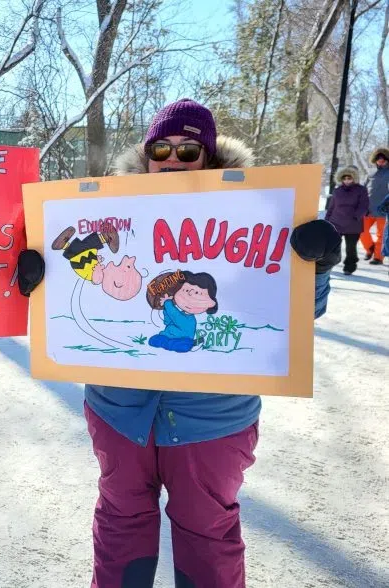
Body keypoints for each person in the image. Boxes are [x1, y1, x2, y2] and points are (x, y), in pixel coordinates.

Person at [17, 98, 340, 588]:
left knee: (208, 534)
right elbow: (76, 299)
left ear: (208, 158)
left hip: (212, 419)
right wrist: (38, 278)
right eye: (161, 148)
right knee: (120, 524)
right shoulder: (104, 215)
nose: (172, 158)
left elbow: (294, 312)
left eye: (189, 151)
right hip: (118, 410)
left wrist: (314, 267)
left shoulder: (256, 212)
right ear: (146, 155)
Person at [325, 166, 369, 274]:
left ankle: (349, 266)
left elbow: (364, 205)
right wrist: (327, 219)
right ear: (341, 179)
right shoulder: (337, 191)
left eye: (349, 178)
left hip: (353, 224)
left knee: (351, 248)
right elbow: (332, 206)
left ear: (354, 178)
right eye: (344, 178)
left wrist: (356, 216)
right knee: (333, 246)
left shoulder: (361, 190)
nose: (347, 180)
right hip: (336, 222)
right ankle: (329, 265)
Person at [362, 146, 389, 265]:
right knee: (360, 230)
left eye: (383, 158)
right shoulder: (371, 173)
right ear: (375, 160)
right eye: (378, 158)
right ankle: (370, 248)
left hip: (384, 210)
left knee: (381, 234)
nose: (381, 160)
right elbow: (363, 189)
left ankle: (378, 257)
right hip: (368, 209)